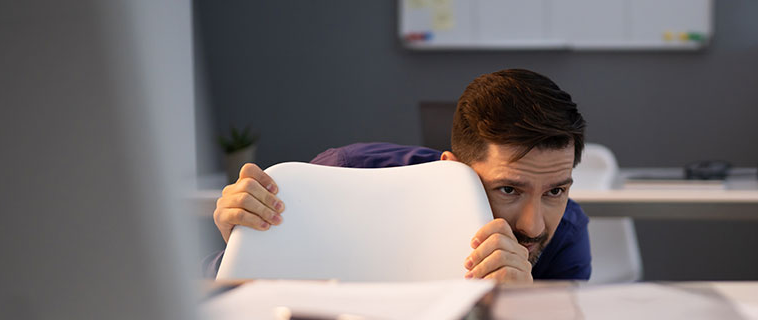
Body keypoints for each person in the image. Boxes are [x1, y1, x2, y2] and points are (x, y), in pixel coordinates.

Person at [207, 68, 591, 283]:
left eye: (556, 191)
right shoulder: (342, 177)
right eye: (509, 189)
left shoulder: (566, 232)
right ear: (452, 169)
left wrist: (524, 310)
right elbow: (214, 299)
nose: (535, 225)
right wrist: (242, 242)